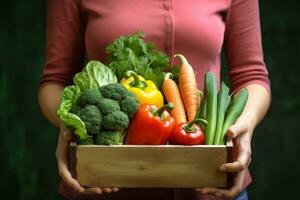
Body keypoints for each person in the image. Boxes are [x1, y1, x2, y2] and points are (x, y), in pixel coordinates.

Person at [38, 0, 271, 199]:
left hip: (211, 185)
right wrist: (70, 126)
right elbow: (54, 80)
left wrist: (244, 126)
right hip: (103, 185)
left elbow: (253, 76)